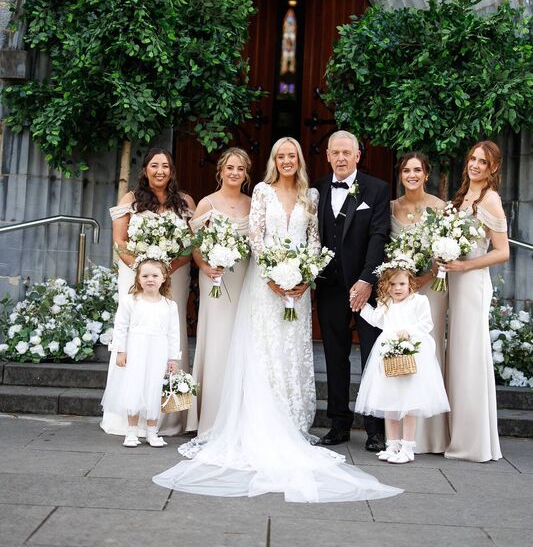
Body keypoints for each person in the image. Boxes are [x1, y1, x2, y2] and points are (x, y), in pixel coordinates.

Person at [153, 138, 402, 503]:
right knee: (264, 349)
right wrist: (274, 274)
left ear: (300, 160)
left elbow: (316, 240)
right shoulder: (262, 191)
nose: (286, 161)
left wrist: (303, 275)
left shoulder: (311, 195)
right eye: (280, 156)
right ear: (274, 161)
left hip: (300, 289)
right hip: (264, 285)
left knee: (291, 351)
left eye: (292, 156)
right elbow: (255, 236)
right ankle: (261, 421)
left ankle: (295, 422)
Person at [101, 147, 195, 436]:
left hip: (173, 276)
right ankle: (128, 416)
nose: (160, 171)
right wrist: (145, 267)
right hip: (135, 276)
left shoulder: (185, 202)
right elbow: (119, 241)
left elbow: (191, 244)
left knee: (170, 333)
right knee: (135, 332)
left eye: (165, 166)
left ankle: (168, 417)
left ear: (172, 170)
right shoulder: (130, 200)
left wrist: (167, 268)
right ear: (145, 170)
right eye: (154, 165)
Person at [314, 131, 390, 451]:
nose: (341, 158)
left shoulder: (377, 188)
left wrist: (366, 280)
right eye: (336, 153)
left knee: (373, 356)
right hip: (329, 287)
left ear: (358, 155)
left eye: (347, 152)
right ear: (328, 156)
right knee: (334, 355)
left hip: (366, 288)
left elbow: (379, 236)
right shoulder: (316, 190)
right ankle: (339, 424)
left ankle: (375, 429)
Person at [441, 140, 509, 462]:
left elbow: (502, 251)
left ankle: (472, 442)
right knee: (456, 356)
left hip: (472, 283)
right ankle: (457, 432)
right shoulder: (462, 195)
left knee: (469, 358)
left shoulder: (491, 200)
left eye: (483, 162)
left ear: (493, 168)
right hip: (454, 278)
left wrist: (466, 265)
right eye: (472, 159)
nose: (475, 165)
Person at [186, 148, 252, 436]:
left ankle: (239, 416)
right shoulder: (207, 204)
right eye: (230, 168)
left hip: (244, 280)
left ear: (246, 173)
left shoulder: (253, 204)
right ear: (221, 171)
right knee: (216, 341)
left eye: (240, 169)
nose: (235, 173)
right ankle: (210, 418)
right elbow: (195, 244)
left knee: (242, 341)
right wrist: (204, 265)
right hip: (215, 279)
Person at [355, 264, 450, 463]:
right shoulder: (386, 302)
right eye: (393, 284)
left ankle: (407, 448)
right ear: (387, 286)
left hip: (411, 352)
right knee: (389, 402)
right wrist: (360, 304)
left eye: (402, 283)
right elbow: (376, 321)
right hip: (387, 353)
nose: (397, 288)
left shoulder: (418, 301)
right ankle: (392, 445)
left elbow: (426, 324)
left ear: (410, 284)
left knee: (408, 404)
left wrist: (409, 332)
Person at [391, 152, 448, 453]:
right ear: (400, 175)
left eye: (417, 170)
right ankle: (402, 432)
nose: (411, 175)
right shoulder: (391, 208)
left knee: (427, 349)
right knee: (400, 350)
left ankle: (430, 435)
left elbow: (445, 252)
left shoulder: (439, 208)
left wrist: (423, 278)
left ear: (426, 174)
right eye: (406, 170)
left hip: (429, 289)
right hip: (401, 292)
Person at [101, 259, 180, 448]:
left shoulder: (170, 306)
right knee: (134, 388)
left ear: (163, 278)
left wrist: (173, 358)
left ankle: (152, 432)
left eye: (155, 275)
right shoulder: (130, 301)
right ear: (138, 278)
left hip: (158, 351)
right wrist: (121, 351)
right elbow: (120, 327)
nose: (150, 279)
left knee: (153, 389)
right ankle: (131, 432)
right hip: (136, 349)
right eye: (145, 276)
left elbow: (173, 333)